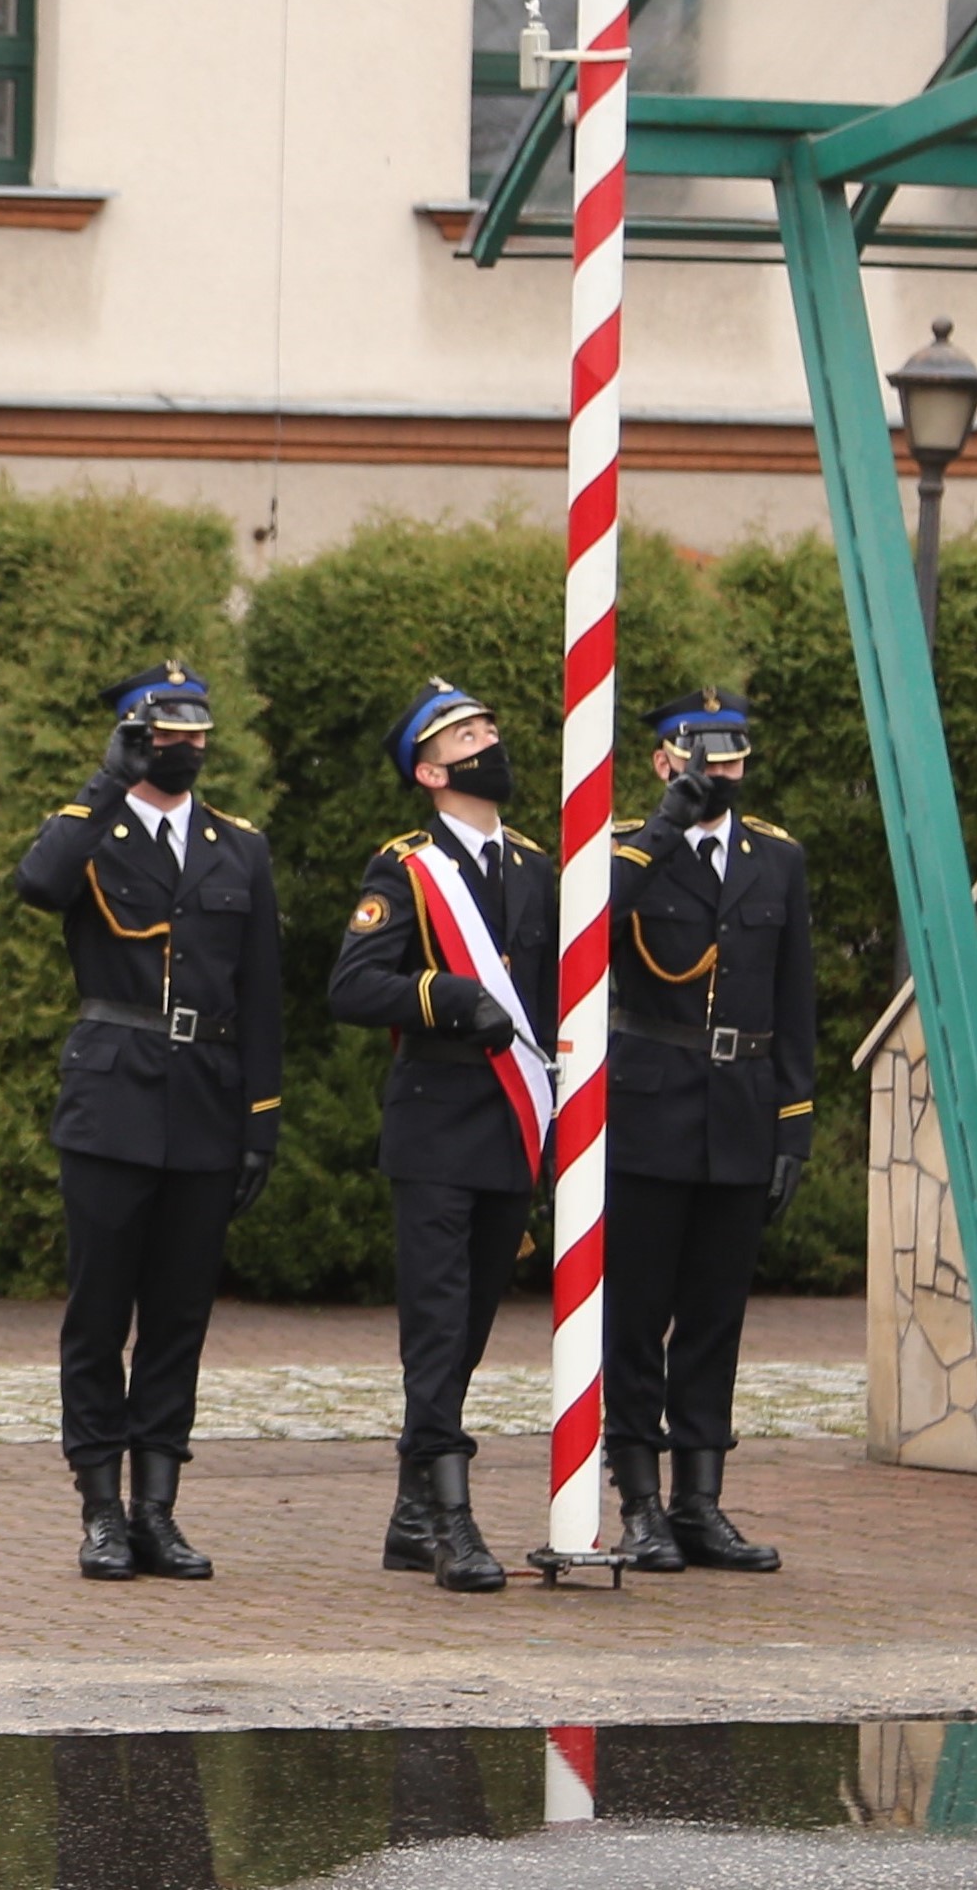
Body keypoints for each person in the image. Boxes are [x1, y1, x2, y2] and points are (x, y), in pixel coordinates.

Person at [11, 663, 279, 1583]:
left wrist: (261, 1121)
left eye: (199, 731)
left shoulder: (238, 848)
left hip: (205, 1101)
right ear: (135, 735)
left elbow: (263, 995)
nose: (188, 746)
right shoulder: (93, 831)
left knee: (177, 1317)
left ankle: (156, 1509)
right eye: (167, 731)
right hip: (112, 1100)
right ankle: (98, 1510)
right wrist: (105, 780)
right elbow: (39, 884)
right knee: (98, 1313)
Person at [325, 680, 558, 1595]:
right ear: (429, 771)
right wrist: (449, 997)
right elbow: (352, 986)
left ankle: (410, 1512)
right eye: (466, 734)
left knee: (466, 1329)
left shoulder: (536, 867)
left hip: (513, 1124)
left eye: (490, 725)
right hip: (436, 1123)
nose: (488, 740)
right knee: (434, 1326)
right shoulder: (407, 869)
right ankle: (452, 1520)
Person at [599, 689, 818, 1573]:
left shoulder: (777, 860)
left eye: (732, 759)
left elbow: (796, 997)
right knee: (637, 1314)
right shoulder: (626, 850)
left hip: (741, 1106)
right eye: (703, 758)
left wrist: (792, 1126)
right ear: (665, 761)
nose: (719, 773)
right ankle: (640, 1502)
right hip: (650, 1105)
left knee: (715, 1319)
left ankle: (701, 1502)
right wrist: (660, 832)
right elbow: (586, 931)